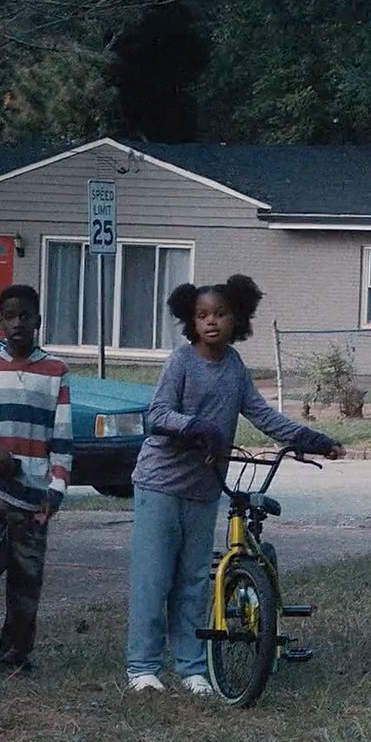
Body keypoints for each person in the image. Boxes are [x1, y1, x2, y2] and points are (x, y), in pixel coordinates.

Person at [125, 274, 344, 696]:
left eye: (221, 314)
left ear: (236, 319)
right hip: (159, 484)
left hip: (204, 488)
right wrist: (195, 427)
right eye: (202, 315)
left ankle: (191, 667)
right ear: (190, 320)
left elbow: (264, 416)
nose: (212, 323)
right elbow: (157, 415)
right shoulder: (181, 362)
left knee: (193, 581)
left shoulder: (235, 368)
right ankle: (143, 669)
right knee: (154, 579)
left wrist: (311, 439)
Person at [0, 284, 72, 677]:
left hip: (34, 499)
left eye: (26, 316)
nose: (18, 323)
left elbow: (62, 440)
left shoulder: (55, 372)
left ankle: (14, 659)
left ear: (38, 320)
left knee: (26, 581)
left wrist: (55, 492)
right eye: (10, 316)